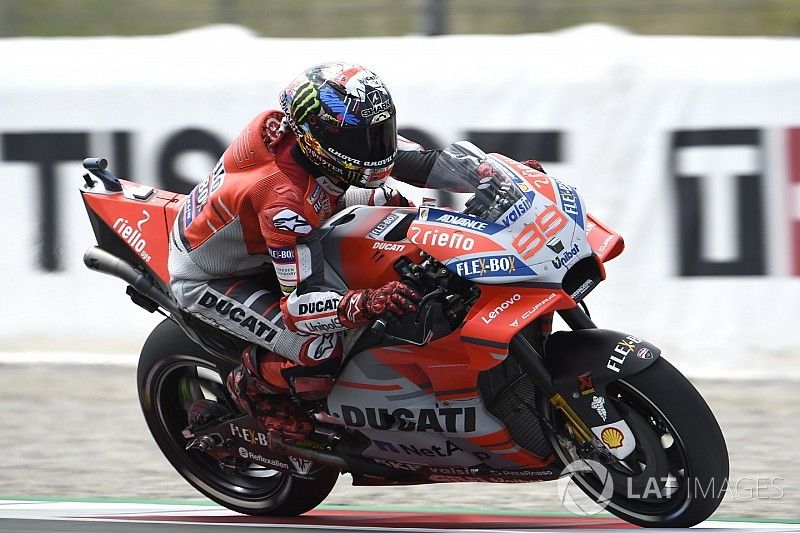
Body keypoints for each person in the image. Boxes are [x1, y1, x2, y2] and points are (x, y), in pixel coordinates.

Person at [170, 62, 439, 439]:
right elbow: (300, 308)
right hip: (216, 275)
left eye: (379, 133)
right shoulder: (284, 202)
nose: (375, 148)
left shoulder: (313, 137)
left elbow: (419, 162)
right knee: (320, 348)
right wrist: (367, 302)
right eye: (362, 140)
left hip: (272, 231)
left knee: (394, 204)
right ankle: (252, 389)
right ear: (319, 139)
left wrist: (491, 174)